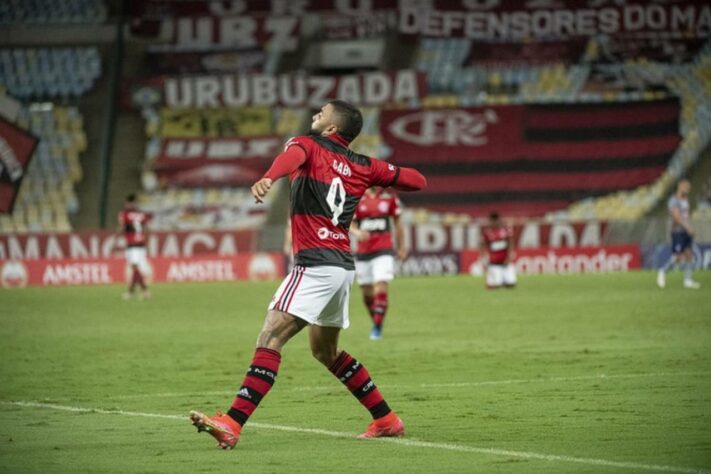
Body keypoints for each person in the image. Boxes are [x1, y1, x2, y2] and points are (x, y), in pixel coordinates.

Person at [189, 100, 427, 449]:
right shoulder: (363, 165)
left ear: (332, 128)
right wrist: (384, 173)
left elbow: (292, 160)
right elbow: (417, 180)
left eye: (324, 111)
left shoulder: (306, 143)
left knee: (270, 337)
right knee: (325, 352)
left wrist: (270, 176)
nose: (318, 111)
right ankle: (386, 419)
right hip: (343, 267)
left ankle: (232, 423)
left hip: (314, 263)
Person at [350, 187, 408, 340]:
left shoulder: (389, 195)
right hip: (363, 251)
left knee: (381, 285)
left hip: (384, 250)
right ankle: (376, 321)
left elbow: (397, 223)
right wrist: (357, 233)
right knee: (367, 294)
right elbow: (350, 223)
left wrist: (402, 247)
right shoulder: (357, 195)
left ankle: (376, 327)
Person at [657, 179, 700, 289]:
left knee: (689, 254)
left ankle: (688, 280)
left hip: (686, 231)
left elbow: (686, 215)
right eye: (686, 187)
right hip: (678, 231)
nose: (687, 190)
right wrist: (688, 227)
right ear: (680, 187)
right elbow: (677, 217)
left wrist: (690, 226)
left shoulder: (686, 200)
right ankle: (663, 271)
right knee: (679, 257)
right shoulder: (673, 200)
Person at [118, 193, 151, 300]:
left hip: (132, 244)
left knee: (135, 267)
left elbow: (122, 228)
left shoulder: (125, 214)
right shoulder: (142, 214)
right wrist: (147, 243)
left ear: (128, 202)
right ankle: (131, 292)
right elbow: (146, 229)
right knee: (135, 268)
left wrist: (119, 231)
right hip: (141, 244)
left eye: (127, 202)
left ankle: (144, 291)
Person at [480, 212, 516, 289]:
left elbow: (510, 242)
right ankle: (495, 280)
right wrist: (483, 258)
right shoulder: (487, 232)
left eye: (495, 221)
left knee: (511, 284)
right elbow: (483, 245)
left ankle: (503, 280)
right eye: (492, 221)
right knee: (493, 286)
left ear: (498, 220)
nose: (493, 223)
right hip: (494, 263)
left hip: (505, 261)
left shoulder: (505, 230)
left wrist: (510, 256)